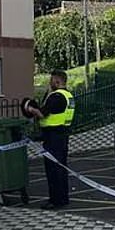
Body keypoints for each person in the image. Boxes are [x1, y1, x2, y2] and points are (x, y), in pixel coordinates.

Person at [27, 69, 75, 209]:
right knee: (61, 168)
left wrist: (29, 109)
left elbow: (42, 113)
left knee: (53, 170)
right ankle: (63, 198)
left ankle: (55, 200)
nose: (50, 82)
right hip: (62, 135)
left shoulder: (57, 96)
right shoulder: (68, 95)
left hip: (53, 137)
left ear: (57, 81)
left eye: (51, 80)